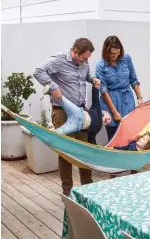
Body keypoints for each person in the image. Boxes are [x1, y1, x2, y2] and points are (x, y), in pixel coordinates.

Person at [33, 38, 100, 196]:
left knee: (85, 150)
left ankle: (87, 188)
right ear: (74, 51)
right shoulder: (59, 60)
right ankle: (67, 190)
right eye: (83, 58)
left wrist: (92, 79)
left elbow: (86, 76)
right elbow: (38, 71)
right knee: (66, 152)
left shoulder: (84, 62)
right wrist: (53, 87)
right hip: (62, 112)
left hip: (81, 112)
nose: (85, 61)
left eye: (87, 59)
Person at [96, 36, 143, 141]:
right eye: (113, 54)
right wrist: (114, 112)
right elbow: (103, 90)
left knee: (129, 135)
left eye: (118, 53)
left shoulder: (126, 58)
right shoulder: (100, 65)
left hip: (127, 100)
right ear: (106, 52)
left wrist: (139, 97)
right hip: (110, 103)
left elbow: (133, 79)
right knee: (113, 137)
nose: (116, 56)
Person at [43, 85, 112, 143]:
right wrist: (95, 86)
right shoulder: (97, 109)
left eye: (107, 122)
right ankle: (50, 91)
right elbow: (95, 97)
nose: (106, 120)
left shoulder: (97, 128)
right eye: (108, 118)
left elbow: (92, 139)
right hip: (78, 113)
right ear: (104, 112)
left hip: (76, 125)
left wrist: (95, 151)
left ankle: (48, 134)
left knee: (61, 131)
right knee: (63, 101)